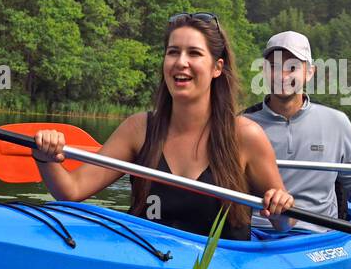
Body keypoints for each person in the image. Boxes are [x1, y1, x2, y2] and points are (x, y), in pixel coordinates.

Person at [31, 13, 293, 240]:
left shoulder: (245, 136)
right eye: (173, 52)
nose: (181, 62)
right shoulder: (139, 129)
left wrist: (280, 209)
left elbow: (284, 224)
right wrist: (46, 159)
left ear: (217, 67)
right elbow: (71, 191)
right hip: (147, 263)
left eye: (194, 53)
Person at [243, 31, 351, 229]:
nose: (283, 75)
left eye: (292, 67)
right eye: (274, 66)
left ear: (309, 72)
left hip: (316, 238)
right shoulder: (241, 126)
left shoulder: (337, 122)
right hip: (252, 235)